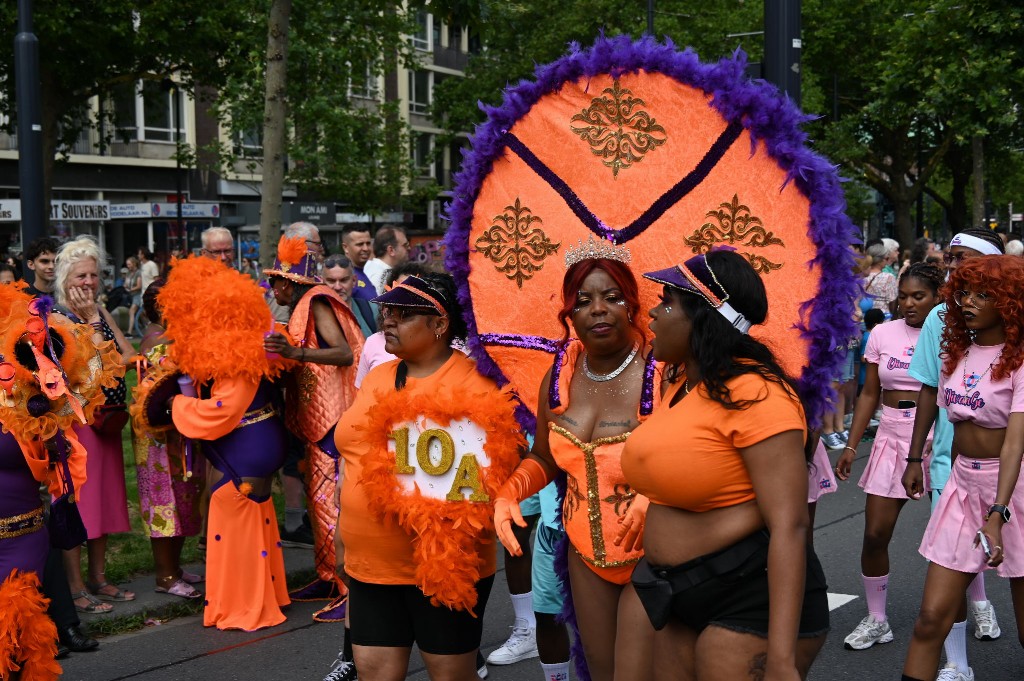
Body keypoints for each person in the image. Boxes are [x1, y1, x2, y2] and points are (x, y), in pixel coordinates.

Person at [623, 250, 829, 681]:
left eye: (667, 302)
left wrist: (780, 660)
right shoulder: (679, 381)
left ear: (704, 315)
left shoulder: (758, 394)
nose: (653, 314)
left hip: (749, 594)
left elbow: (790, 526)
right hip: (677, 592)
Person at [334, 272, 522, 681]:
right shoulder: (380, 376)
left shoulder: (481, 384)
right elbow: (355, 460)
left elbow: (497, 471)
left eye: (404, 314)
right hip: (371, 566)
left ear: (440, 325)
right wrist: (341, 535)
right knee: (374, 673)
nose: (388, 320)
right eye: (387, 311)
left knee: (450, 675)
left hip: (442, 567)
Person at [493, 239, 658, 681]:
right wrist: (512, 490)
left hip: (657, 551)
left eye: (612, 297)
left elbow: (701, 458)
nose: (598, 309)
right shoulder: (560, 374)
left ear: (632, 305)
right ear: (569, 313)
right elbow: (545, 456)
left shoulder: (663, 372)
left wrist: (658, 495)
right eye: (583, 301)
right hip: (586, 556)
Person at [151, 255, 292, 631]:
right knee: (250, 513)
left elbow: (220, 411)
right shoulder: (246, 338)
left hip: (247, 445)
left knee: (229, 506)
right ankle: (264, 595)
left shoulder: (235, 350)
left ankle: (243, 604)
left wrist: (174, 403)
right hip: (257, 440)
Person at [901, 256, 1024, 681]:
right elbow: (939, 409)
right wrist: (919, 461)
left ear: (1008, 303)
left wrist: (998, 511)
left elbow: (1015, 443)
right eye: (965, 293)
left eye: (984, 295)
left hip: (1013, 492)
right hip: (961, 486)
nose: (969, 302)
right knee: (930, 620)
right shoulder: (955, 352)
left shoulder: (1021, 359)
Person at [0, 283, 119, 679]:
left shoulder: (30, 387)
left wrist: (90, 325)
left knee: (19, 639)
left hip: (22, 536)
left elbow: (87, 386)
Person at [834, 262, 944, 650]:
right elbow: (868, 394)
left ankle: (979, 602)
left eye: (920, 296)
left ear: (938, 297)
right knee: (875, 534)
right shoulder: (881, 332)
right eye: (905, 295)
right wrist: (851, 445)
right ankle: (878, 619)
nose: (909, 303)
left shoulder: (951, 334)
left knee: (954, 535)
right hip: (891, 436)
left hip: (938, 438)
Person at [263, 234, 364, 623]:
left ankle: (349, 588)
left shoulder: (318, 300)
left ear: (290, 282)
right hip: (316, 417)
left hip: (334, 417)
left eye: (276, 281)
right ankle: (326, 576)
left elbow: (342, 353)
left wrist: (295, 352)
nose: (273, 288)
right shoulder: (306, 303)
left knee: (333, 502)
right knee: (317, 500)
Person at [53, 236, 137, 613]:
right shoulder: (54, 319)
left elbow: (127, 355)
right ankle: (74, 587)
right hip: (74, 425)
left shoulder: (98, 314)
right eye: (80, 276)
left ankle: (99, 577)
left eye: (93, 275)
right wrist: (93, 329)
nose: (88, 282)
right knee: (75, 505)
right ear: (64, 280)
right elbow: (80, 374)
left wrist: (97, 326)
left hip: (105, 422)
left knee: (101, 501)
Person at [129, 279, 205, 600]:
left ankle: (174, 567)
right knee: (163, 503)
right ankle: (164, 576)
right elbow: (175, 365)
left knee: (183, 497)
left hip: (175, 432)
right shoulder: (154, 340)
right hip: (156, 440)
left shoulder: (170, 337)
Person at [354, 263, 429, 388]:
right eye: (390, 310)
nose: (400, 301)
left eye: (410, 294)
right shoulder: (373, 343)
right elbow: (361, 397)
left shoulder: (447, 349)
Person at [341, 225, 377, 333]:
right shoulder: (344, 278)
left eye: (368, 243)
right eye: (360, 244)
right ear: (345, 247)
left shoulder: (362, 273)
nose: (365, 248)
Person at [363, 225, 410, 294]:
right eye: (405, 245)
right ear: (391, 250)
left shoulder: (370, 267)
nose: (409, 248)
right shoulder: (379, 277)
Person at [864, 242, 898, 316]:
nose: (887, 261)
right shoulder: (889, 277)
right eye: (886, 258)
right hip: (883, 317)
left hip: (865, 317)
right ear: (880, 260)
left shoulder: (862, 276)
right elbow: (893, 301)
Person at [124, 256, 143, 337]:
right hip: (131, 295)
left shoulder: (138, 273)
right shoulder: (128, 273)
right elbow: (126, 283)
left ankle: (129, 332)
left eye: (129, 264)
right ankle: (147, 325)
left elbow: (139, 286)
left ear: (134, 264)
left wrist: (130, 289)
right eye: (127, 264)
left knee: (131, 311)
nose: (128, 266)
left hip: (137, 295)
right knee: (140, 314)